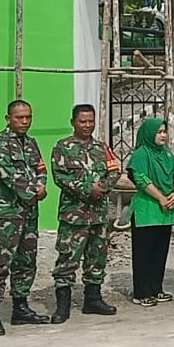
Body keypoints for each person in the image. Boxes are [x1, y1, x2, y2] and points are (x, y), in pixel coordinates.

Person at [0, 100, 50, 334]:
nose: (24, 121)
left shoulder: (31, 143)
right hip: (7, 214)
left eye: (28, 117)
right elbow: (8, 176)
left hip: (29, 214)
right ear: (8, 118)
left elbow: (41, 169)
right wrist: (33, 192)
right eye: (19, 117)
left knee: (26, 261)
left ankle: (20, 308)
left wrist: (40, 187)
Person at [50, 104, 120, 323]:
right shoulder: (62, 147)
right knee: (68, 258)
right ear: (73, 122)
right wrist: (88, 188)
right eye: (83, 121)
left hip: (98, 214)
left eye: (91, 121)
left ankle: (93, 299)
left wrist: (105, 187)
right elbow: (60, 176)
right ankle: (63, 305)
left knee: (97, 257)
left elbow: (114, 170)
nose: (87, 125)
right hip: (74, 215)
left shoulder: (101, 147)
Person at [126, 118, 174, 307]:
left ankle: (156, 288)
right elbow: (140, 178)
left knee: (159, 252)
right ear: (149, 134)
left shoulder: (167, 154)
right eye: (159, 132)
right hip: (147, 210)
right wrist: (161, 197)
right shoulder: (142, 153)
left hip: (165, 212)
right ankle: (141, 292)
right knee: (143, 253)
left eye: (164, 131)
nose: (163, 135)